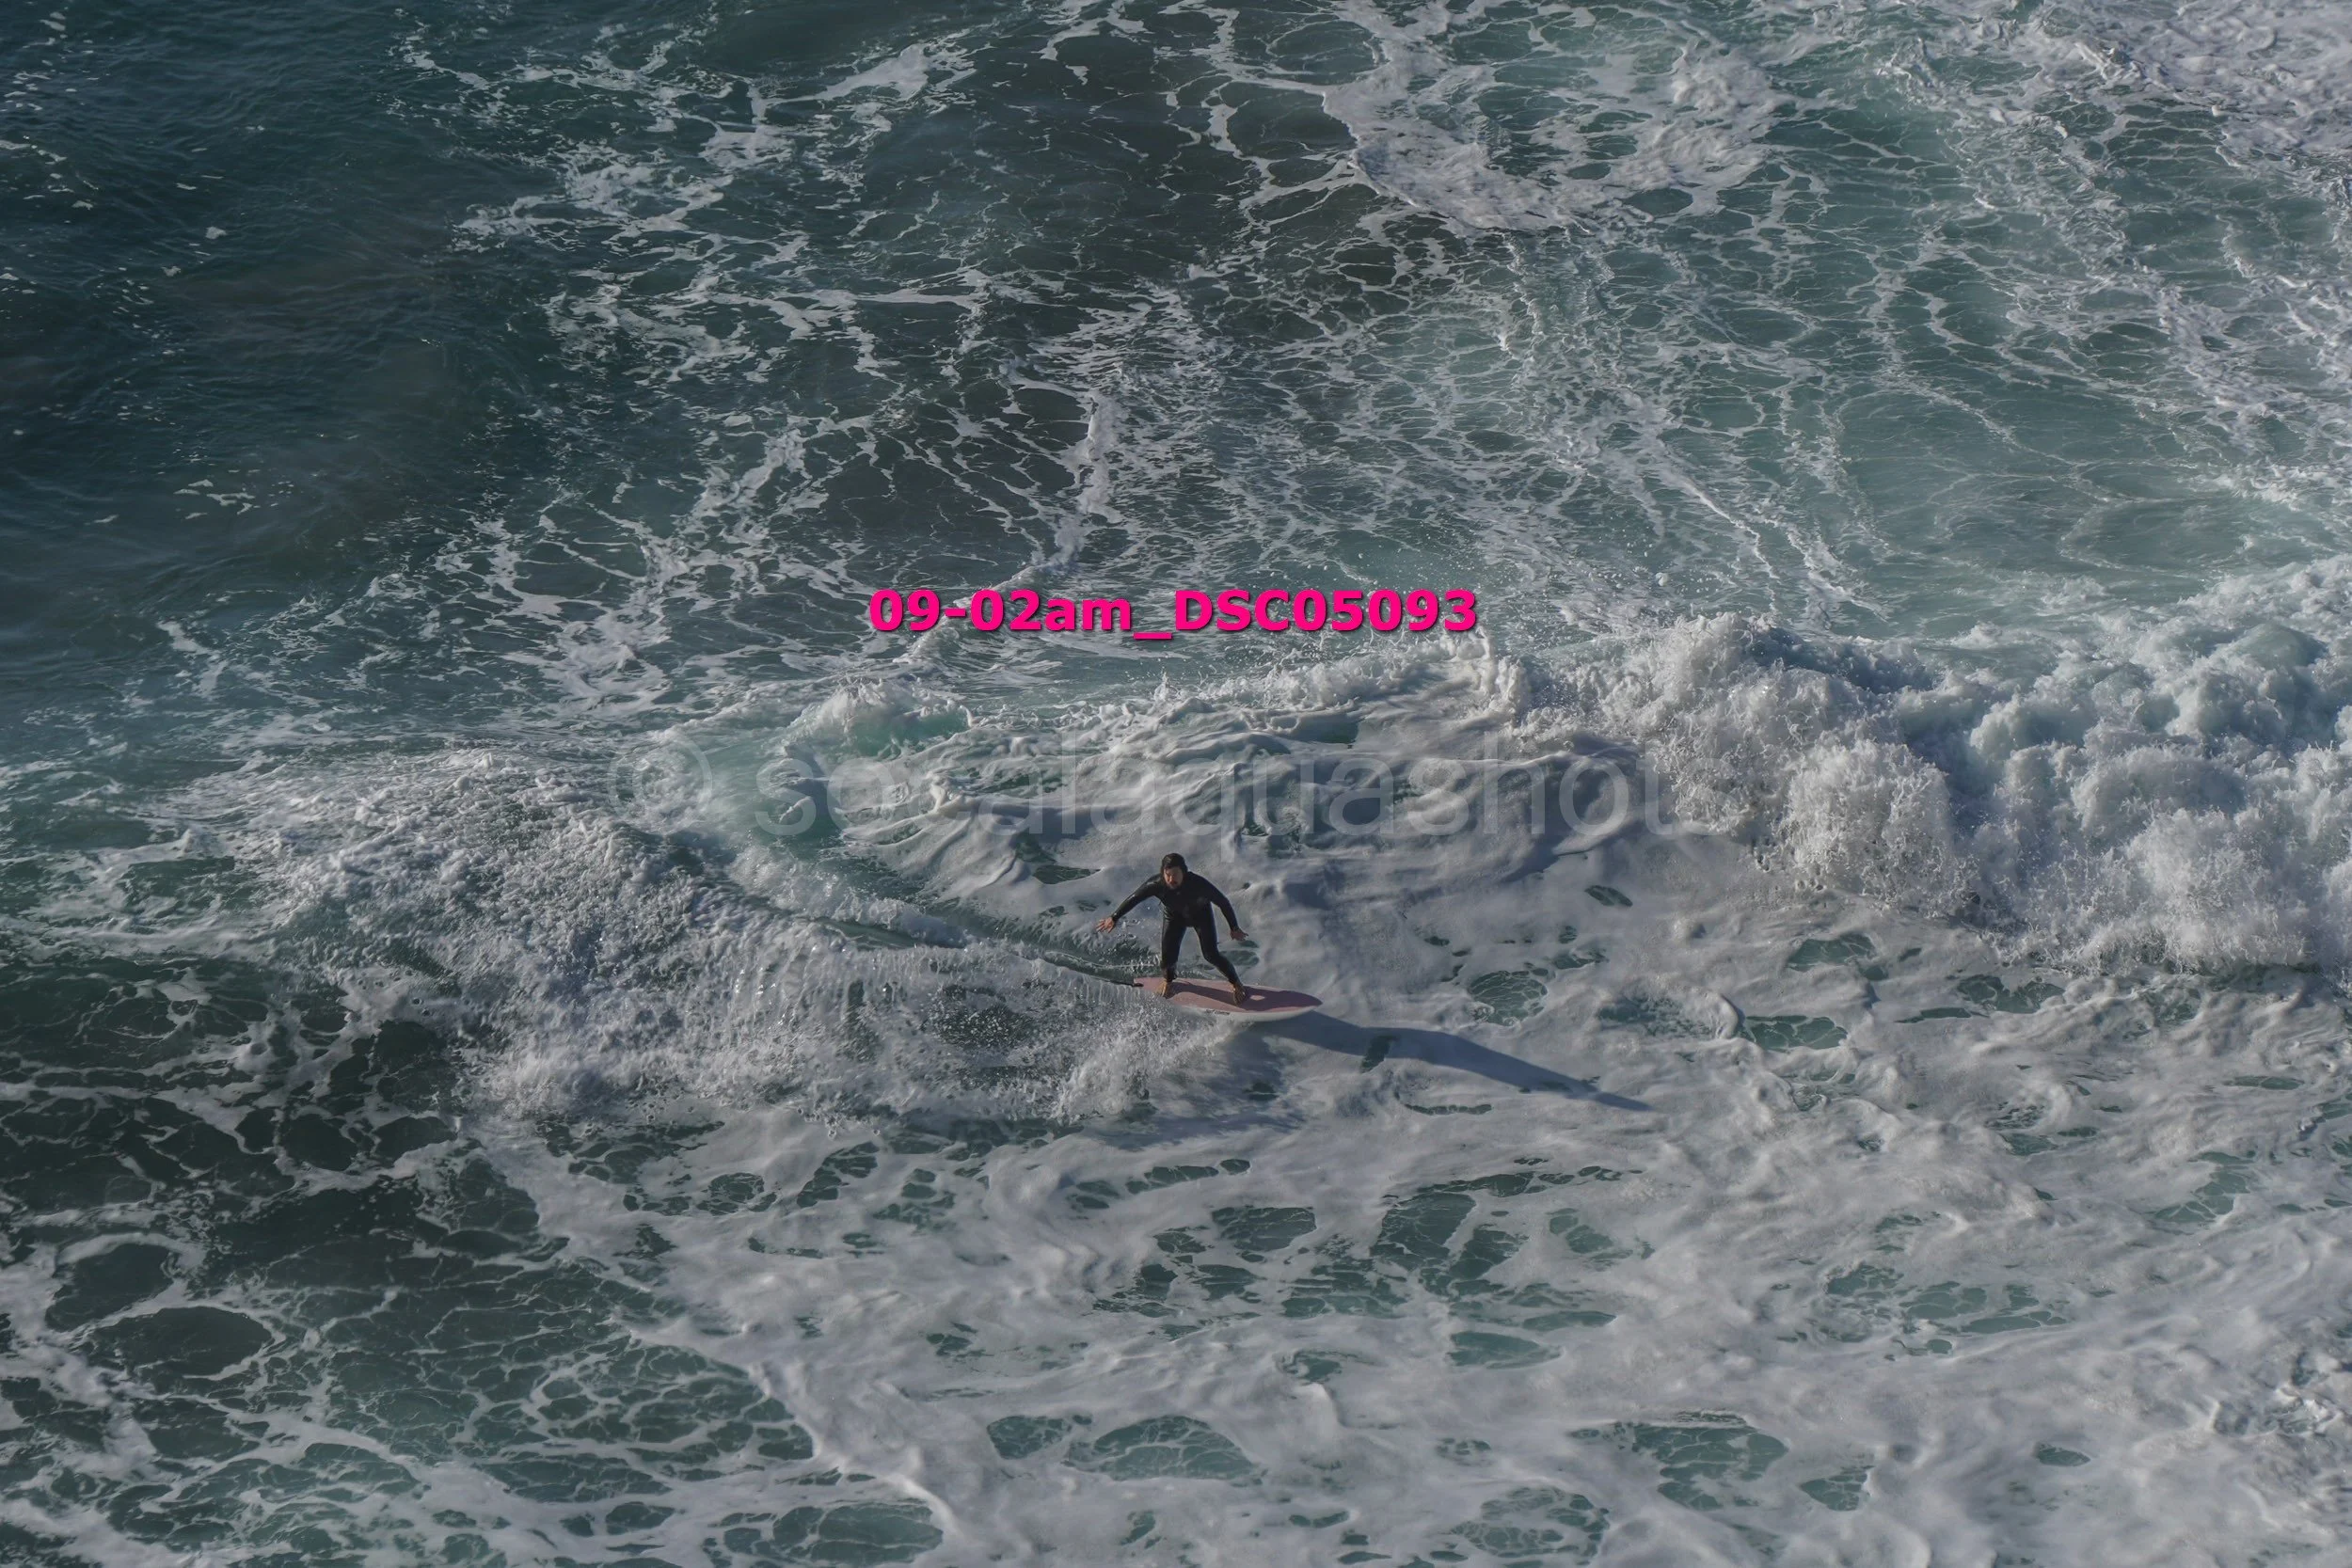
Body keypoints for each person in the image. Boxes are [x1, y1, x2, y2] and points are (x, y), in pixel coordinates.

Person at [1096, 852, 1248, 1004]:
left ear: (1184, 872)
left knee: (1210, 955)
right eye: (1167, 874)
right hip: (1174, 918)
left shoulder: (1199, 884)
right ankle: (1168, 981)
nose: (1171, 879)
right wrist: (1114, 917)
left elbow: (1223, 902)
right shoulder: (1156, 884)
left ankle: (1236, 983)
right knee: (1168, 958)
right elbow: (1135, 898)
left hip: (1201, 917)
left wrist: (1234, 927)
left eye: (1175, 874)